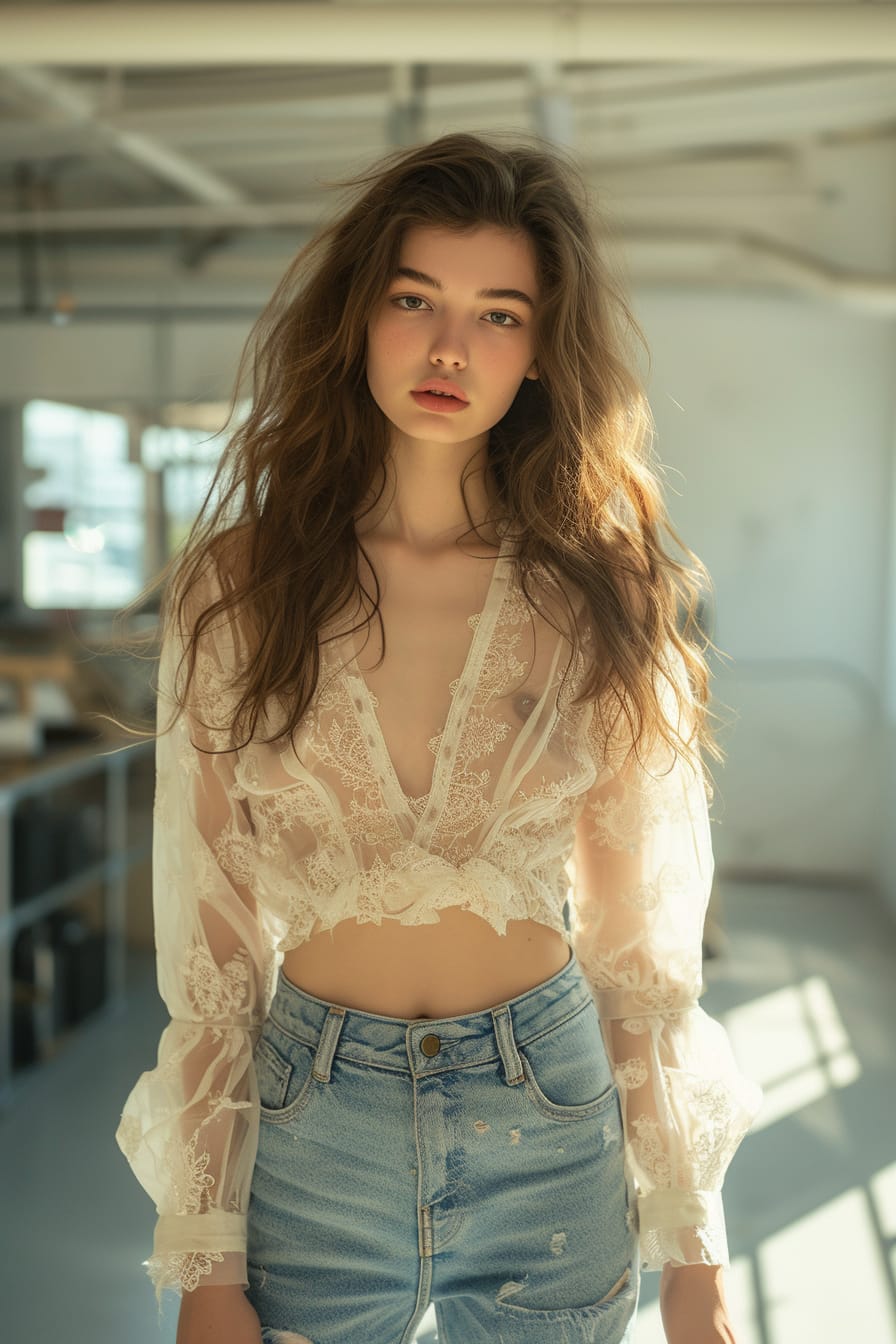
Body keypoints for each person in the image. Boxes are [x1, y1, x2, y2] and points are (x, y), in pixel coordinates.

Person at [116, 132, 762, 1344]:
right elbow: (211, 952)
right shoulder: (235, 587)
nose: (450, 347)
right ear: (360, 317)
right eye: (415, 299)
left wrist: (694, 1258)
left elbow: (638, 957)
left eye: (499, 314)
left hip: (549, 1108)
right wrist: (205, 1262)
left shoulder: (596, 594)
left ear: (537, 356)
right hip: (314, 1118)